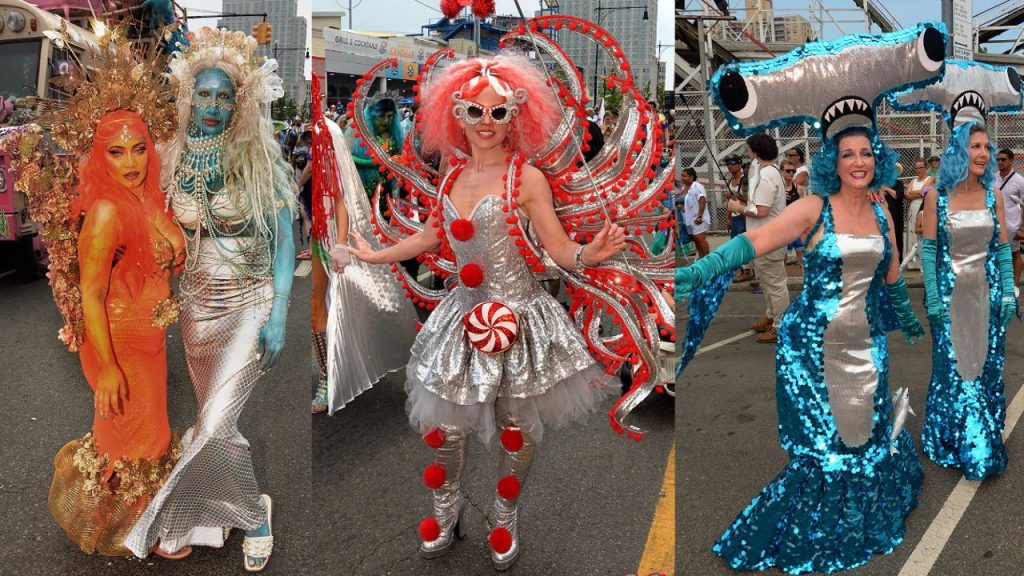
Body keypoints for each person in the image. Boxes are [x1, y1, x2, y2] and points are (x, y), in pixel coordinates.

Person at [346, 54, 631, 571]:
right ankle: (446, 506)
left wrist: (590, 254)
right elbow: (432, 235)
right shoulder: (451, 175)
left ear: (515, 117)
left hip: (520, 320)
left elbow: (561, 250)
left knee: (516, 428)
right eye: (474, 111)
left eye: (497, 113)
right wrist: (376, 253)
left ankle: (504, 514)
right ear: (454, 114)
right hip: (462, 317)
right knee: (446, 429)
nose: (485, 123)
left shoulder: (527, 179)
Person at [679, 125, 925, 575]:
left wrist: (906, 318)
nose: (858, 162)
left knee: (862, 437)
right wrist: (703, 269)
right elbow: (755, 240)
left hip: (868, 347)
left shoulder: (882, 212)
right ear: (833, 162)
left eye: (866, 153)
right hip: (813, 349)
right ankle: (816, 529)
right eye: (847, 154)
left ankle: (859, 517)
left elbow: (890, 273)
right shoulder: (814, 207)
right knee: (825, 444)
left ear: (878, 160)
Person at [124, 28, 296, 572]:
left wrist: (280, 312)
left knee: (216, 423)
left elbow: (287, 239)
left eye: (225, 96)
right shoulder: (169, 159)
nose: (213, 106)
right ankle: (242, 503)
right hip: (198, 309)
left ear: (239, 101)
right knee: (215, 422)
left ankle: (250, 517)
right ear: (188, 97)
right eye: (204, 94)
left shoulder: (259, 158)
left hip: (251, 301)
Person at [32, 38, 186, 558]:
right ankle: (141, 530)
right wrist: (111, 367)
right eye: (115, 152)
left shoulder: (151, 197)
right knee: (139, 436)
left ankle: (134, 518)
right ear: (99, 155)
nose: (130, 162)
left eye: (139, 148)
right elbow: (90, 293)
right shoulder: (105, 213)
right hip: (122, 342)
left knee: (146, 430)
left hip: (152, 340)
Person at [309, 73, 418, 414]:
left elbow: (340, 195)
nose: (386, 120)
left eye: (390, 115)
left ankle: (384, 347)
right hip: (323, 229)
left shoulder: (329, 131)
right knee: (317, 302)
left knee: (362, 291)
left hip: (371, 211)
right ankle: (328, 373)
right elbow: (322, 180)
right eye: (381, 115)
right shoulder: (335, 134)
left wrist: (340, 243)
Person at [920, 123, 1015, 481]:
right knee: (959, 374)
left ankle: (977, 432)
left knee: (986, 368)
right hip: (950, 301)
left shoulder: (994, 196)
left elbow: (1002, 248)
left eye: (988, 148)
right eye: (975, 146)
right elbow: (929, 252)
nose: (983, 154)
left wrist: (1008, 291)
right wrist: (931, 296)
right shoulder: (937, 196)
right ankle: (971, 445)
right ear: (959, 151)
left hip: (986, 300)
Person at [730, 132, 788, 344]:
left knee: (775, 283)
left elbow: (761, 211)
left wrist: (739, 207)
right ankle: (772, 316)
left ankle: (780, 325)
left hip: (769, 238)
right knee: (767, 280)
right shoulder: (767, 172)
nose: (748, 153)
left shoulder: (766, 176)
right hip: (765, 237)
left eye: (749, 149)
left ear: (755, 151)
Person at [996, 148, 1024, 285]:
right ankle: (1000, 284)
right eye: (998, 159)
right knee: (996, 256)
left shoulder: (1019, 181)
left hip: (1012, 224)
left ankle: (1015, 285)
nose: (1000, 162)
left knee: (1015, 254)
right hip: (995, 224)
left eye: (1003, 159)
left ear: (1011, 160)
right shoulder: (992, 179)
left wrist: (1022, 229)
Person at [723, 154, 753, 282]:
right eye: (728, 164)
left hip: (744, 216)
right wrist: (728, 218)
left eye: (733, 163)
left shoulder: (744, 180)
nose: (730, 166)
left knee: (742, 244)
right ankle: (744, 269)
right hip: (735, 217)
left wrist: (733, 194)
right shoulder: (730, 181)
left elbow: (748, 198)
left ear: (739, 164)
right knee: (736, 244)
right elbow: (730, 202)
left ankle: (748, 271)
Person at [904, 157, 935, 270]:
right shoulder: (913, 181)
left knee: (923, 235)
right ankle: (912, 262)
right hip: (913, 208)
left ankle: (923, 262)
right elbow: (907, 195)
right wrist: (918, 193)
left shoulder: (930, 179)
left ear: (926, 168)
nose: (919, 170)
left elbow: (924, 192)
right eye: (916, 168)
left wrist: (913, 192)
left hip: (924, 208)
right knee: (912, 233)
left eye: (921, 167)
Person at [680, 167, 710, 258]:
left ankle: (708, 260)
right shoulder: (684, 187)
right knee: (696, 239)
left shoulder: (697, 186)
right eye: (682, 176)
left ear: (691, 177)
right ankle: (701, 259)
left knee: (700, 238)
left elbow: (702, 200)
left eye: (684, 176)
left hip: (698, 218)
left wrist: (699, 216)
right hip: (689, 219)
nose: (682, 178)